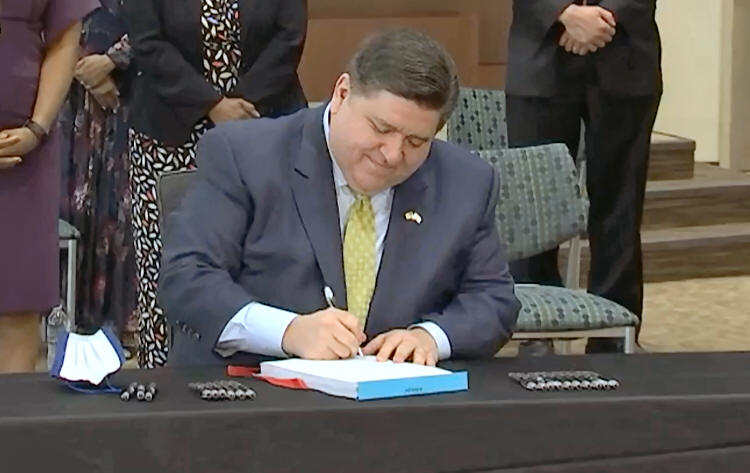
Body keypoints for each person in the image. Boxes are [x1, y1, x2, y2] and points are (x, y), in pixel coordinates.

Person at [159, 28, 521, 367]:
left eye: (415, 142)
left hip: (396, 398)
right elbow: (188, 278)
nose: (392, 155)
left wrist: (430, 337)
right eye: (381, 128)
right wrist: (289, 332)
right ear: (342, 93)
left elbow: (493, 300)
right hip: (254, 392)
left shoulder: (466, 182)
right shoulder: (244, 155)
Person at [124, 0, 308, 367]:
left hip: (263, 120)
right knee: (169, 258)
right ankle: (161, 371)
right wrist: (212, 104)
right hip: (169, 128)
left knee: (269, 249)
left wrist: (241, 105)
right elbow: (147, 42)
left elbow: (290, 37)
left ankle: (274, 359)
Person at [505, 0, 662, 352]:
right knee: (535, 203)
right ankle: (537, 332)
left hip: (627, 53)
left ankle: (616, 332)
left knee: (620, 204)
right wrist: (563, 12)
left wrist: (603, 17)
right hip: (540, 52)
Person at [0, 0, 98, 373]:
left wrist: (37, 127)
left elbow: (64, 38)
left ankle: (13, 412)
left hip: (25, 150)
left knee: (17, 305)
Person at [59, 0, 137, 349]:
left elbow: (165, 21)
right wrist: (83, 67)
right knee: (75, 206)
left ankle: (120, 325)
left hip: (137, 90)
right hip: (69, 95)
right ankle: (71, 322)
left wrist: (113, 61)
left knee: (123, 212)